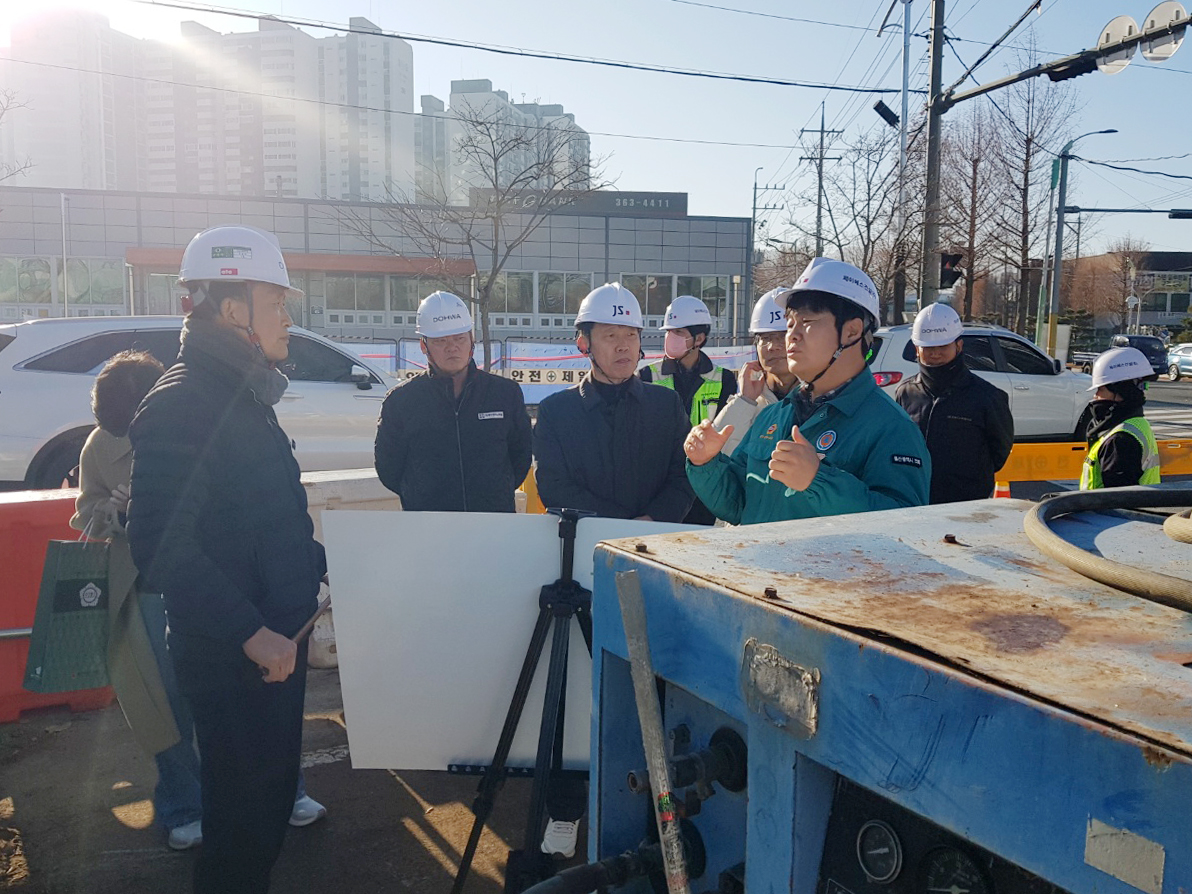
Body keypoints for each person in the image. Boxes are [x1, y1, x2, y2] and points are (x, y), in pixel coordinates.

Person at [127, 225, 325, 893]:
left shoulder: (242, 394)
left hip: (272, 654)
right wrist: (251, 632)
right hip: (238, 659)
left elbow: (260, 519)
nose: (288, 320)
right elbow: (161, 546)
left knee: (263, 821)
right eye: (278, 303)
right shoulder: (184, 401)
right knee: (239, 835)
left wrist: (324, 562)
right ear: (234, 308)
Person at [71, 351, 206, 850]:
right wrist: (116, 508)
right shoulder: (98, 447)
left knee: (220, 692)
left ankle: (269, 793)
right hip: (144, 587)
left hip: (203, 579)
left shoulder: (194, 424)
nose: (126, 432)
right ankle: (183, 805)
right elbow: (85, 514)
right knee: (162, 704)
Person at [684, 258, 930, 525]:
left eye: (807, 322)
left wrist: (818, 481)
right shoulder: (773, 416)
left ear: (852, 331)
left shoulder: (891, 427)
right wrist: (706, 464)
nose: (792, 335)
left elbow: (904, 526)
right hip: (759, 566)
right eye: (790, 324)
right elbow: (739, 505)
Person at [533, 283, 694, 523]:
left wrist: (651, 519)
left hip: (654, 542)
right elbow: (554, 486)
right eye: (610, 335)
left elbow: (684, 475)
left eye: (631, 335)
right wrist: (612, 526)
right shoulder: (556, 412)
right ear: (583, 344)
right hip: (582, 546)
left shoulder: (666, 406)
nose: (623, 346)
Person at [374, 291, 532, 511]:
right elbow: (389, 469)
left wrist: (493, 493)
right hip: (430, 528)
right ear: (424, 346)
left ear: (471, 339)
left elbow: (521, 457)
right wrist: (422, 496)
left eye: (459, 338)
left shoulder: (504, 394)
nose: (452, 347)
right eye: (440, 341)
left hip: (494, 526)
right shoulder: (401, 402)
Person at [895, 302, 1014, 503]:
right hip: (915, 505)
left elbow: (999, 452)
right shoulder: (905, 393)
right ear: (917, 349)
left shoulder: (987, 397)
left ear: (958, 346)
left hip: (966, 509)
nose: (935, 353)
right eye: (928, 347)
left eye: (943, 346)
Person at [639, 294, 737, 524]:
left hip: (703, 486)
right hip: (660, 485)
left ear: (699, 338)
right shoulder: (646, 376)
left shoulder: (723, 380)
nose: (670, 338)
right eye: (669, 332)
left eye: (679, 333)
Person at [712, 287, 799, 455]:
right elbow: (718, 455)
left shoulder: (819, 398)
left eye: (782, 336)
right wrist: (744, 400)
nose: (773, 346)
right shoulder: (749, 403)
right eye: (765, 338)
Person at [1080, 345, 1161, 489]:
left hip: (1104, 511)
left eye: (1101, 389)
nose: (1095, 396)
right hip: (1139, 510)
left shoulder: (1120, 440)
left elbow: (1117, 499)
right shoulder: (1137, 424)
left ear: (1120, 392)